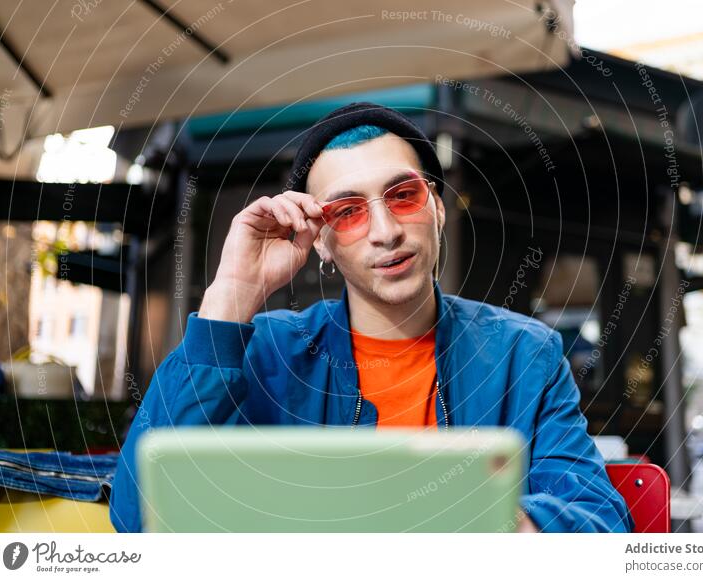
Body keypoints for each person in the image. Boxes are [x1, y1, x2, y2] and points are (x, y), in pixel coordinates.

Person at [109, 102, 633, 533]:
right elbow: (138, 516)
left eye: (402, 196)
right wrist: (231, 295)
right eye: (348, 211)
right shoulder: (262, 353)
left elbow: (600, 523)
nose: (384, 231)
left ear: (438, 209)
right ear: (323, 244)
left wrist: (491, 519)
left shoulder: (524, 355)